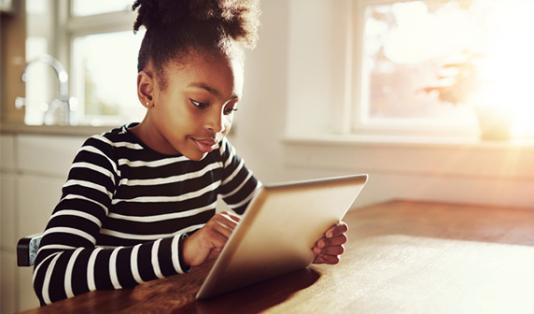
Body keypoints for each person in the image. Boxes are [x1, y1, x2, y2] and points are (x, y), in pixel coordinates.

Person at [32, 0, 348, 305]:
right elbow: (50, 275)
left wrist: (303, 243)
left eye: (230, 108)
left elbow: (266, 222)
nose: (218, 124)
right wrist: (182, 250)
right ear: (148, 90)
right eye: (200, 103)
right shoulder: (106, 158)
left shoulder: (217, 154)